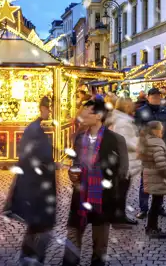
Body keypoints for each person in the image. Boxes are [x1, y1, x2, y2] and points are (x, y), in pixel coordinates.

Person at [63, 98, 122, 266]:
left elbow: (116, 171)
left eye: (87, 112)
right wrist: (73, 172)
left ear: (98, 116)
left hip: (101, 196)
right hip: (80, 193)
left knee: (100, 240)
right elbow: (76, 162)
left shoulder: (112, 139)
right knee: (73, 233)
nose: (82, 115)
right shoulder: (79, 138)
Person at [5, 97, 56, 266]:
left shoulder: (35, 129)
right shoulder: (34, 130)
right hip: (36, 185)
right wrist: (51, 165)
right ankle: (33, 258)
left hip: (36, 184)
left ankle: (29, 256)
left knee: (36, 223)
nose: (50, 112)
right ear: (43, 108)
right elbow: (35, 158)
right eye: (49, 109)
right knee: (41, 224)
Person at [134, 88, 166, 220]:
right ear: (148, 97)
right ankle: (143, 208)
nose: (156, 99)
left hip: (161, 147)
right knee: (145, 178)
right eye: (154, 97)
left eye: (158, 97)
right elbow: (137, 129)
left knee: (160, 177)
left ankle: (158, 207)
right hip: (147, 149)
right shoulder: (141, 111)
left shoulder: (165, 111)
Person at [105, 97, 141, 226]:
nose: (133, 107)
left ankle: (117, 215)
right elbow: (124, 141)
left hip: (120, 160)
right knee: (121, 190)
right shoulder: (123, 122)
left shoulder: (119, 119)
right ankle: (118, 217)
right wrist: (138, 145)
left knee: (120, 189)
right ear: (126, 106)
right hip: (124, 161)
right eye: (131, 105)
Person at [138, 120, 166, 239]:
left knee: (155, 203)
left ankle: (151, 227)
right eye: (161, 129)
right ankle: (152, 228)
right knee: (156, 204)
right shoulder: (157, 143)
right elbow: (161, 165)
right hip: (157, 176)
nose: (162, 131)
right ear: (155, 130)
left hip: (148, 173)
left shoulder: (145, 140)